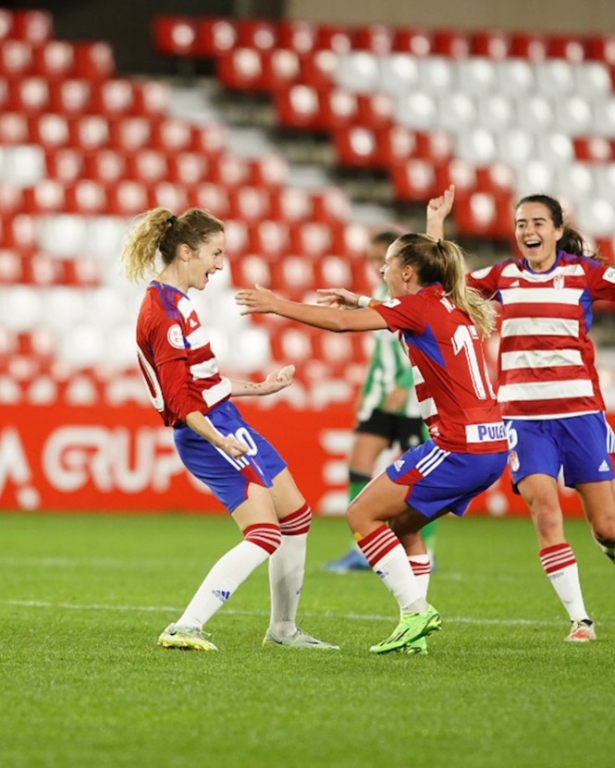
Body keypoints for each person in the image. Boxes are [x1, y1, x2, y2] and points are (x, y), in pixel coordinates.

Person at [236, 233, 508, 654]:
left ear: (407, 272)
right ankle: (413, 632)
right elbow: (396, 313)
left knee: (361, 513)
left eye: (387, 264)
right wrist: (362, 300)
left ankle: (416, 610)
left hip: (459, 446)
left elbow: (342, 325)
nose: (381, 270)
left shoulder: (417, 307)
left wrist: (278, 306)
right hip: (490, 445)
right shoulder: (448, 302)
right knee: (405, 525)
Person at [120, 207, 339, 652]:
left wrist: (260, 388)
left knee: (295, 515)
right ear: (186, 252)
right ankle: (186, 625)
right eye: (215, 254)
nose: (220, 264)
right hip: (207, 434)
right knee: (263, 534)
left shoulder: (178, 303)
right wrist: (218, 439)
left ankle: (283, 630)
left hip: (227, 423)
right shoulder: (163, 312)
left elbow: (204, 384)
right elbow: (182, 402)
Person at [428, 185, 615, 642]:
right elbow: (442, 288)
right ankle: (580, 621)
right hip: (523, 420)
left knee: (607, 528)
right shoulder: (503, 276)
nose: (527, 231)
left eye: (537, 223)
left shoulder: (585, 274)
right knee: (545, 512)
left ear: (557, 231)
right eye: (520, 224)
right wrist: (436, 225)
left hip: (581, 416)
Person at [325, 230, 438, 575]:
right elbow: (381, 353)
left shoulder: (409, 298)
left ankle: (425, 549)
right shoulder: (378, 295)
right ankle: (361, 547)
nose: (377, 266)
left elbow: (423, 339)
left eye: (383, 259)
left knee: (419, 479)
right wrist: (367, 389)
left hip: (411, 401)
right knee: (359, 462)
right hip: (379, 397)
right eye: (375, 259)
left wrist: (405, 383)